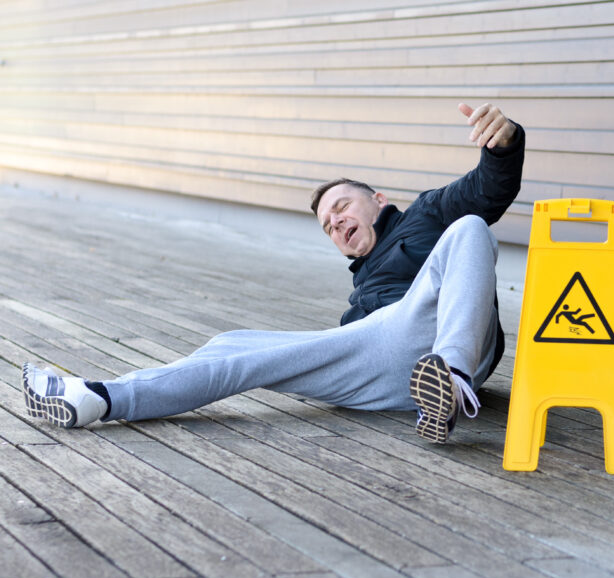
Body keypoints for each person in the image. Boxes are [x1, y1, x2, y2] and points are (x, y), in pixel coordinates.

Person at [22, 102, 525, 443]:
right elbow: (355, 340)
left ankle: (452, 381)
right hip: (387, 370)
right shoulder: (361, 295)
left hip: (445, 338)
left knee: (472, 228)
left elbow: (487, 189)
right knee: (233, 346)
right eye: (329, 225)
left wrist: (502, 145)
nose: (337, 222)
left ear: (378, 200)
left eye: (343, 207)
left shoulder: (427, 214)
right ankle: (101, 398)